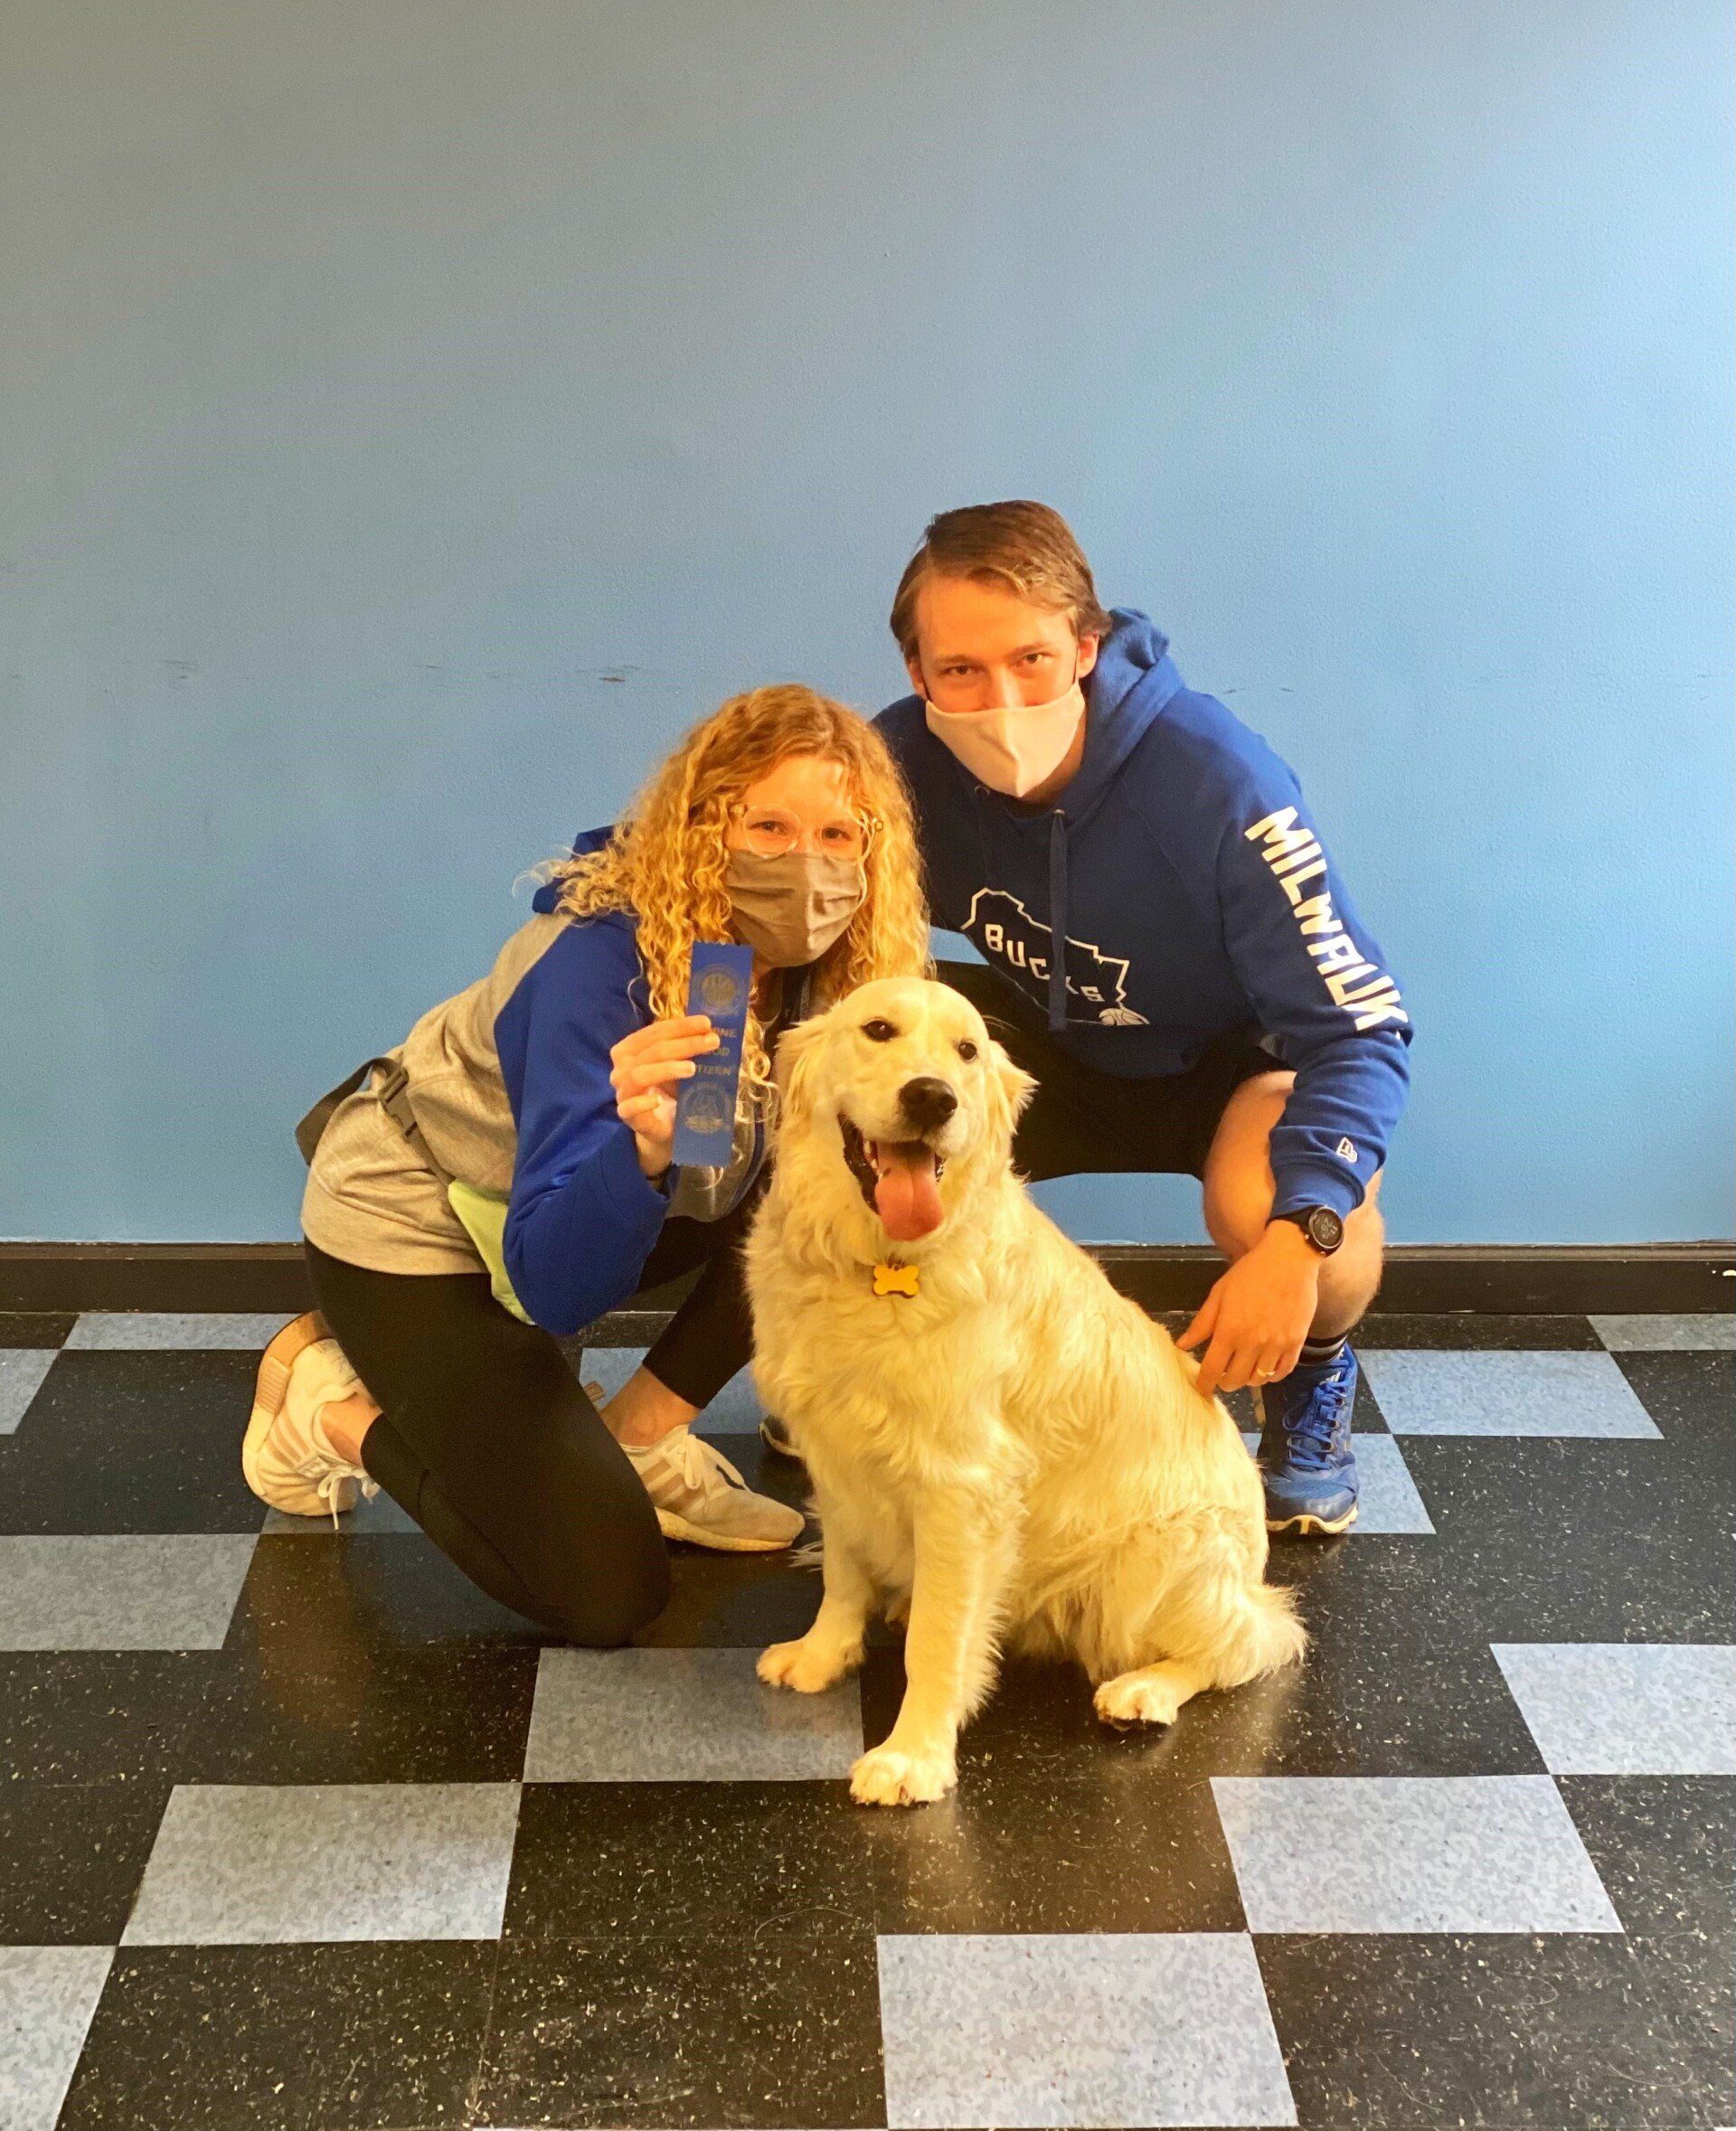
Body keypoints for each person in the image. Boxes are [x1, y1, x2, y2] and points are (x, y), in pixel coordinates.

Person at [242, 683, 929, 1643]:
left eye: (838, 835)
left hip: (560, 1216)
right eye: (766, 826)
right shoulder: (590, 965)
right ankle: (327, 1405)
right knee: (604, 1590)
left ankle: (639, 1440)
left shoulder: (827, 970)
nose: (805, 867)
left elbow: (796, 1192)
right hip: (418, 1226)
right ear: (700, 829)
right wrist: (639, 1146)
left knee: (816, 1186)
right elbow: (558, 1287)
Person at [819, 500, 1412, 1536]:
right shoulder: (899, 761)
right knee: (840, 1108)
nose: (1000, 698)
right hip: (1038, 1045)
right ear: (918, 673)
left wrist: (1295, 1248)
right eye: (960, 670)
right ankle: (867, 1375)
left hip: (1223, 1068)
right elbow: (750, 847)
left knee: (1296, 1218)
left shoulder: (1222, 783)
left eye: (1033, 659)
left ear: (1087, 645)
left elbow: (1359, 1031)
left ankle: (1312, 1369)